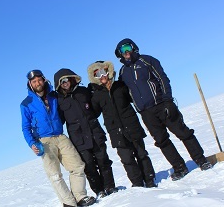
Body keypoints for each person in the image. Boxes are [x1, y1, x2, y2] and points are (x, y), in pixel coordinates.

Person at [114, 38, 213, 180]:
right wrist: (138, 107)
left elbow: (162, 79)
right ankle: (179, 167)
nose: (126, 52)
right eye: (122, 50)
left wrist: (168, 101)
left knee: (183, 132)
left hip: (162, 105)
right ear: (119, 54)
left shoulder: (147, 61)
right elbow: (127, 92)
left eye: (128, 48)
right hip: (146, 112)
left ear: (133, 47)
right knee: (162, 141)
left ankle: (201, 160)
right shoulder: (123, 72)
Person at [20, 69, 95, 207]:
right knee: (54, 174)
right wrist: (32, 143)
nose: (37, 83)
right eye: (34, 81)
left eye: (39, 80)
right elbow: (25, 127)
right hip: (44, 141)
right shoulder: (26, 103)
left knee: (77, 166)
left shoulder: (54, 95)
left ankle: (80, 196)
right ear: (30, 84)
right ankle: (68, 203)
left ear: (44, 80)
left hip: (61, 136)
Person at [87, 60, 157, 188]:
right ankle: (137, 183)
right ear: (94, 77)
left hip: (131, 125)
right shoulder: (96, 95)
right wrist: (89, 96)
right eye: (97, 74)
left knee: (141, 154)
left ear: (108, 71)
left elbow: (134, 97)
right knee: (127, 159)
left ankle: (149, 179)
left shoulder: (120, 85)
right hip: (115, 131)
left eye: (103, 72)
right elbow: (94, 113)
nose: (101, 76)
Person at [53, 68, 118, 198]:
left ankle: (110, 186)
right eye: (62, 82)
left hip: (95, 133)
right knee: (89, 167)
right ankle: (99, 190)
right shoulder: (59, 101)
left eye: (67, 80)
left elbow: (95, 108)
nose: (65, 83)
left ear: (71, 79)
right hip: (79, 139)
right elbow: (58, 120)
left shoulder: (83, 92)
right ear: (58, 84)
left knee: (103, 161)